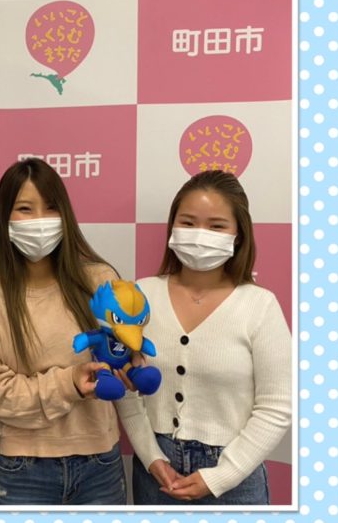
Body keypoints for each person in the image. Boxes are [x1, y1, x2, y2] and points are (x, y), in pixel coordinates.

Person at [0, 158, 137, 505]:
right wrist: (69, 384)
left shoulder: (101, 281)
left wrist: (131, 361)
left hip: (100, 464)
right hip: (21, 470)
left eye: (51, 207)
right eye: (25, 209)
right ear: (4, 218)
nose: (40, 220)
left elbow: (121, 352)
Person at [116, 170, 292, 505]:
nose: (200, 235)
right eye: (188, 222)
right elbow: (125, 387)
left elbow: (277, 405)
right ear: (172, 227)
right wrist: (152, 457)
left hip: (236, 476)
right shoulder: (141, 296)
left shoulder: (260, 305)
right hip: (157, 473)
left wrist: (222, 475)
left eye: (216, 226)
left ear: (238, 235)